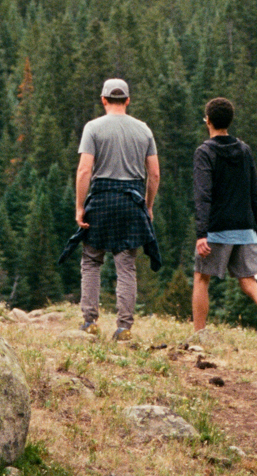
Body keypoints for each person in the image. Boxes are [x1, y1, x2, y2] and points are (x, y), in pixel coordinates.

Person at [191, 96, 257, 349]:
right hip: (246, 229)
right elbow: (254, 193)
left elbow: (203, 195)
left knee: (201, 278)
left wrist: (202, 232)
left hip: (217, 229)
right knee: (250, 282)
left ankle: (198, 337)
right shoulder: (244, 150)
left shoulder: (204, 152)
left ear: (209, 121)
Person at [72, 77, 161, 341]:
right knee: (126, 266)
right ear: (128, 100)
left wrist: (79, 207)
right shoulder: (143, 129)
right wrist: (148, 206)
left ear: (103, 100)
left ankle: (90, 322)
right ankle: (124, 328)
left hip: (101, 199)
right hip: (132, 200)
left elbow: (85, 170)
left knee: (91, 260)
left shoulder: (93, 128)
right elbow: (154, 174)